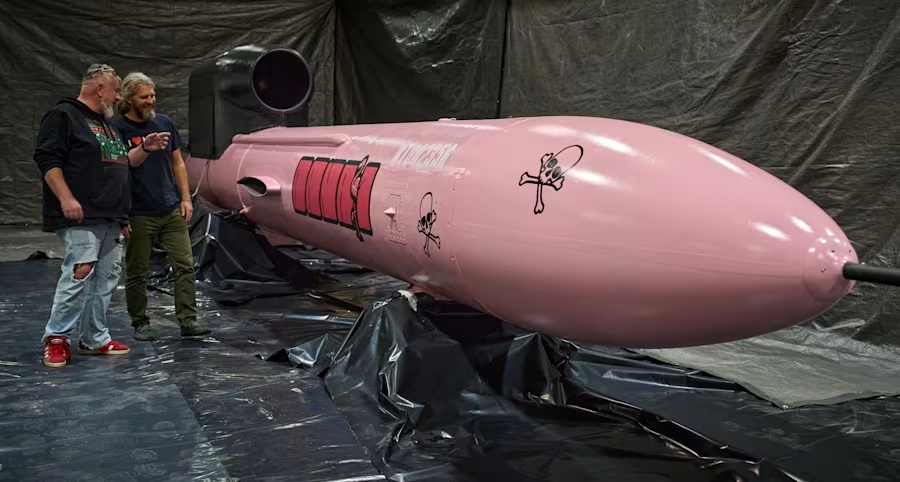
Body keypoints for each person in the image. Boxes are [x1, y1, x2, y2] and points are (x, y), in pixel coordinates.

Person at [33, 63, 172, 368]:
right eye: (115, 90)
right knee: (79, 273)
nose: (117, 97)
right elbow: (47, 158)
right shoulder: (65, 115)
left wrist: (145, 149)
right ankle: (57, 338)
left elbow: (121, 163)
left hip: (111, 215)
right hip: (83, 213)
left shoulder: (106, 124)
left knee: (107, 279)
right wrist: (66, 197)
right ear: (99, 88)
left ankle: (94, 338)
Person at [112, 72, 211, 341]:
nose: (150, 100)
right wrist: (122, 214)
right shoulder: (118, 128)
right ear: (129, 98)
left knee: (185, 265)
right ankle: (140, 322)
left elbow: (178, 163)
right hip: (138, 211)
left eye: (153, 95)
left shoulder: (164, 122)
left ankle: (188, 320)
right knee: (137, 270)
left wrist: (186, 198)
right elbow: (120, 167)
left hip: (170, 208)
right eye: (144, 96)